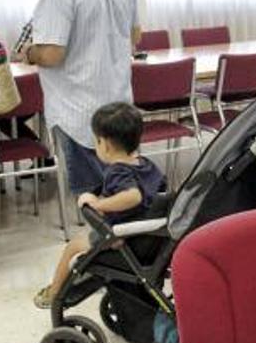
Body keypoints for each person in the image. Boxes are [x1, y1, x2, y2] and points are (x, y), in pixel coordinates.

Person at [19, 0, 137, 197]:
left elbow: (52, 55)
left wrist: (29, 53)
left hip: (79, 111)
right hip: (120, 103)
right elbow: (135, 35)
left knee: (94, 200)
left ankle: (101, 242)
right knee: (124, 191)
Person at [34, 102, 165, 308]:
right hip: (147, 235)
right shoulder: (147, 165)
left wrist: (99, 203)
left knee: (72, 247)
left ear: (104, 145)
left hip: (121, 237)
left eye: (96, 141)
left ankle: (55, 294)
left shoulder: (118, 172)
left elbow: (133, 197)